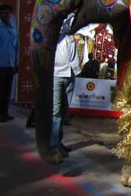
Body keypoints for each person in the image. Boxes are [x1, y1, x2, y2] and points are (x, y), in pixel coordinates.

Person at [48, 13, 81, 163]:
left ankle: (58, 141)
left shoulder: (71, 36)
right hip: (56, 74)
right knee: (56, 111)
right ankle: (53, 146)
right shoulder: (55, 35)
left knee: (63, 110)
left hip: (70, 74)